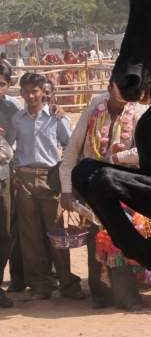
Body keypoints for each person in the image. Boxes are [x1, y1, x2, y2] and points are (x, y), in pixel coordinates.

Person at [60, 82, 148, 310]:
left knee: (120, 240)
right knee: (95, 241)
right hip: (92, 187)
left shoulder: (137, 115)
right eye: (120, 89)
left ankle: (127, 297)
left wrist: (115, 159)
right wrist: (67, 190)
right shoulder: (91, 115)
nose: (125, 95)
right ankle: (100, 295)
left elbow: (145, 151)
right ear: (109, 88)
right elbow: (71, 154)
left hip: (123, 186)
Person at [7, 72, 84, 301]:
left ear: (43, 91)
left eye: (35, 91)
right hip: (25, 180)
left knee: (57, 233)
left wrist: (65, 178)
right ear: (21, 93)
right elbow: (9, 148)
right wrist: (14, 173)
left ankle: (68, 284)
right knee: (29, 235)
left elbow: (71, 147)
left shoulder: (56, 117)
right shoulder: (17, 119)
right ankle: (40, 285)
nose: (31, 96)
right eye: (26, 92)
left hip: (51, 179)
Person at [0, 61, 22, 307]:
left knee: (4, 233)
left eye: (2, 84)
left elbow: (16, 142)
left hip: (3, 176)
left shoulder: (12, 107)